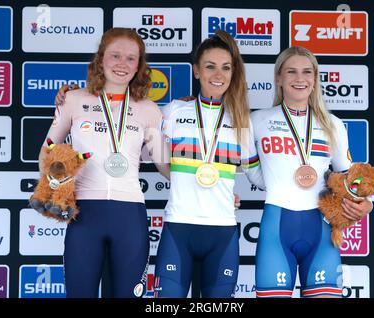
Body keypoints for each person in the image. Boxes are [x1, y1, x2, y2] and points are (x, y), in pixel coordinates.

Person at [36, 27, 169, 298]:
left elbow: (163, 164)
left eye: (131, 58)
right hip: (85, 214)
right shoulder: (73, 100)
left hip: (130, 215)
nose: (122, 64)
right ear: (101, 59)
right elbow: (47, 150)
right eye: (115, 55)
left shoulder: (149, 110)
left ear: (139, 66)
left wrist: (215, 186)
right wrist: (54, 181)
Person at [251, 46, 373, 298]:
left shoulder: (333, 124)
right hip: (276, 229)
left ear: (315, 79)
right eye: (291, 71)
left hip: (321, 232)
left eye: (307, 72)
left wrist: (366, 203)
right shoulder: (257, 121)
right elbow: (255, 175)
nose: (300, 78)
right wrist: (277, 183)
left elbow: (350, 180)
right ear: (278, 78)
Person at [153, 30, 263, 298]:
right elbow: (159, 159)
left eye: (226, 68)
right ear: (196, 71)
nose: (218, 74)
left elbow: (258, 177)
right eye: (210, 66)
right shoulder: (174, 111)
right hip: (179, 226)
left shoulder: (242, 122)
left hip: (222, 232)